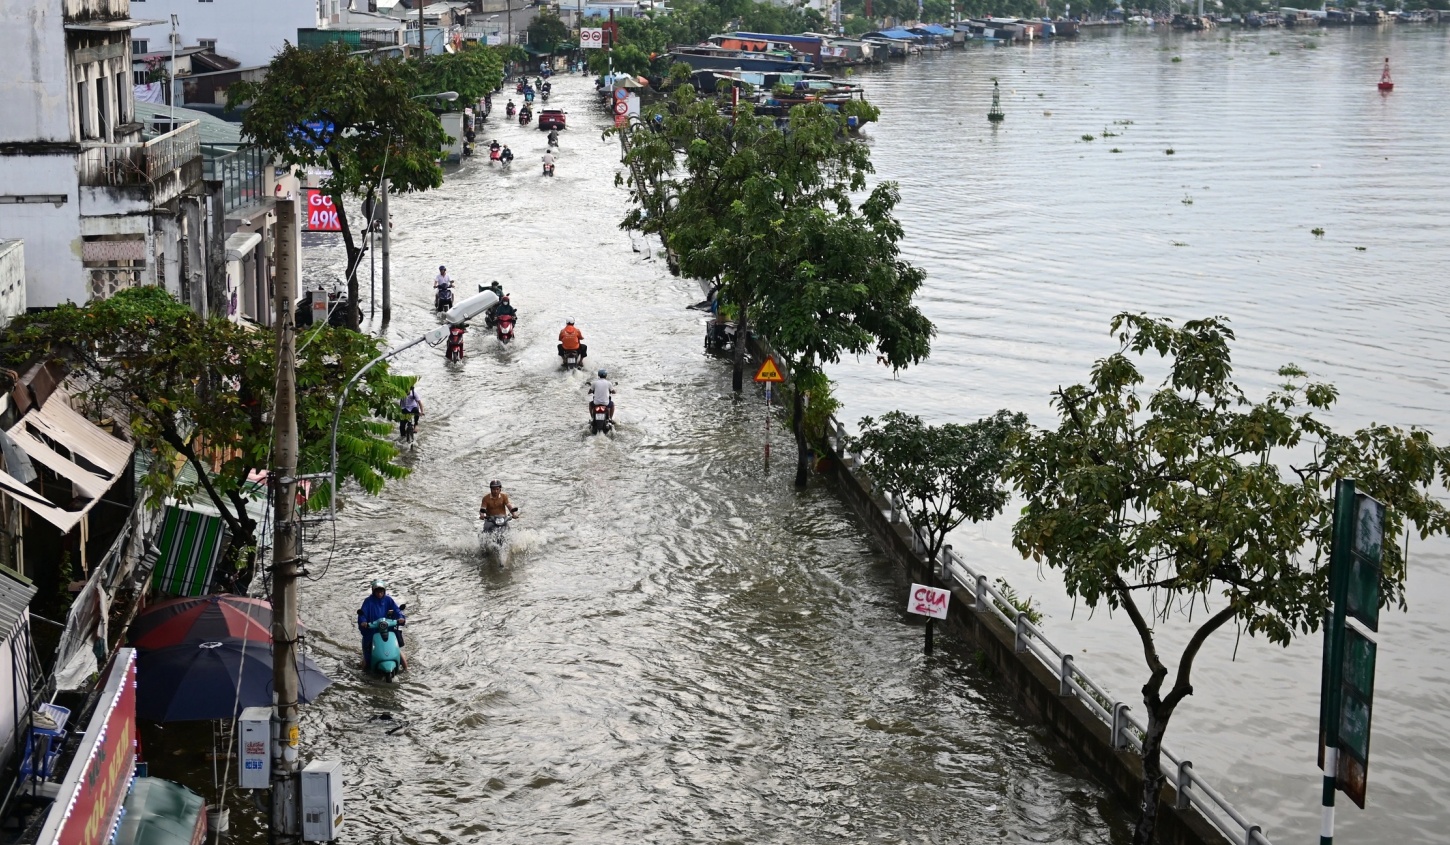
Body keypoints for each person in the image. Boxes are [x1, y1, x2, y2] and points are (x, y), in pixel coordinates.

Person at [357, 579, 406, 670]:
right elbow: (362, 614)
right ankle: (362, 675)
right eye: (377, 591)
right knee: (367, 660)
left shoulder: (388, 600)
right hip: (372, 631)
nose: (379, 594)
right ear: (373, 591)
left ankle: (407, 669)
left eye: (381, 591)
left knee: (398, 653)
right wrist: (363, 622)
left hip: (388, 629)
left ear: (384, 591)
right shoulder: (368, 601)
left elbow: (397, 610)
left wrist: (401, 618)